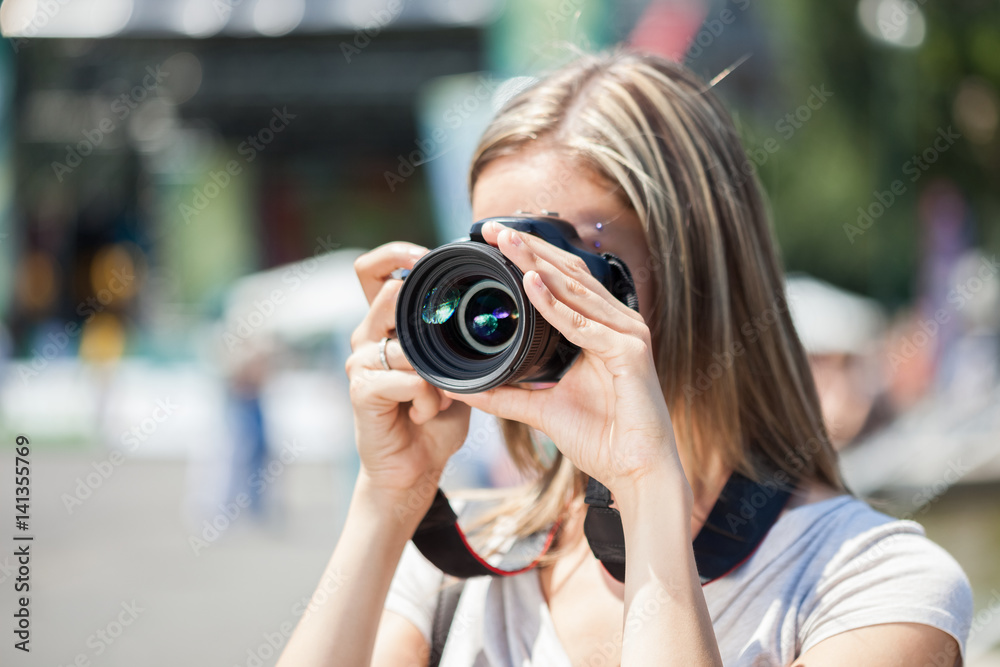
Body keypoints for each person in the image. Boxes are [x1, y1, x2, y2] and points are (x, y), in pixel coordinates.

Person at [277, 50, 972, 667]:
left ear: (701, 271)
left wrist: (645, 489)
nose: (522, 301)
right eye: (495, 263)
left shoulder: (876, 583)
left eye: (559, 263)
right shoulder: (458, 566)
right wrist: (388, 498)